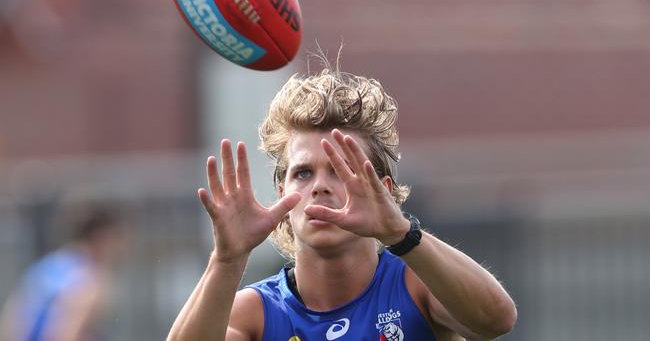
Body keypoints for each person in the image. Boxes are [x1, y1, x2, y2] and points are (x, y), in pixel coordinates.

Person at [167, 65, 517, 341]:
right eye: (303, 173)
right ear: (282, 197)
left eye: (340, 170)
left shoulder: (415, 286)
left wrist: (400, 231)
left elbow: (496, 320)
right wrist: (227, 260)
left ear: (384, 190)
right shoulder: (257, 314)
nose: (320, 186)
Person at [0, 205, 125, 341]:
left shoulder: (48, 265)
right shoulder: (88, 279)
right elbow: (67, 333)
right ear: (102, 237)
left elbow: (13, 317)